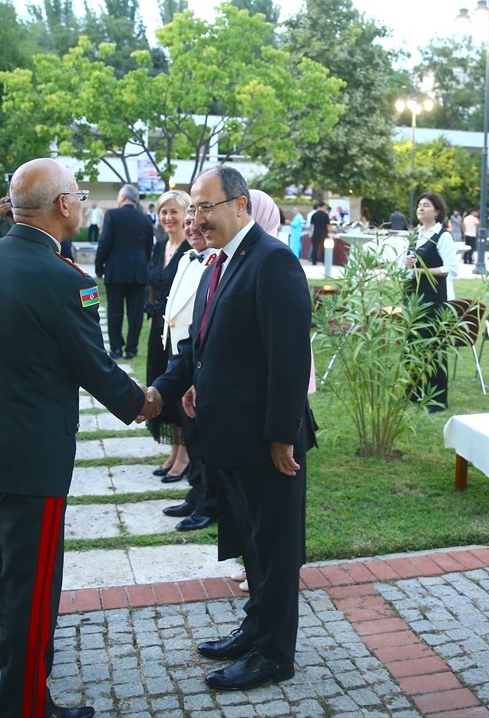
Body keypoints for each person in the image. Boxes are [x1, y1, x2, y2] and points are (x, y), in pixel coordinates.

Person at [0, 158, 153, 718]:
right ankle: (24, 705)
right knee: (34, 582)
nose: (84, 205)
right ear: (63, 205)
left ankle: (8, 656)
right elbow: (94, 365)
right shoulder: (65, 280)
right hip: (33, 455)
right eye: (80, 196)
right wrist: (144, 403)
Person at [151, 165, 314, 692]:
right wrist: (194, 382)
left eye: (206, 207)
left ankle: (273, 653)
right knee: (252, 542)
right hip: (232, 432)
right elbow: (208, 340)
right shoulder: (220, 261)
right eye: (194, 208)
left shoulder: (273, 261)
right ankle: (255, 627)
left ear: (240, 205)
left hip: (268, 439)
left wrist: (282, 435)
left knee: (275, 547)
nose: (197, 218)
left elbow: (288, 358)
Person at [159, 213, 216, 529]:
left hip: (200, 358)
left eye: (198, 220)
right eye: (189, 220)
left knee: (203, 435)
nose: (191, 226)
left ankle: (208, 502)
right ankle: (196, 493)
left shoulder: (215, 264)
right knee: (189, 431)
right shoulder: (186, 260)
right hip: (181, 354)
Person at [145, 189, 192, 485]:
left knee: (178, 385)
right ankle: (174, 449)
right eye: (163, 212)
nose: (168, 217)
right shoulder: (159, 246)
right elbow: (152, 283)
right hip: (158, 328)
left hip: (180, 329)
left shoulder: (191, 247)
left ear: (186, 213)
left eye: (174, 211)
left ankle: (185, 453)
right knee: (161, 381)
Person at [406, 192, 458, 413]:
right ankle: (413, 394)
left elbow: (450, 269)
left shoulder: (443, 236)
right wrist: (407, 265)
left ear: (437, 211)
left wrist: (421, 270)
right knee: (413, 344)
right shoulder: (415, 235)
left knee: (434, 346)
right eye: (419, 205)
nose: (421, 208)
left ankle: (435, 398)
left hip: (433, 297)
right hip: (412, 297)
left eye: (426, 205)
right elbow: (408, 269)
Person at [96, 184, 153, 359]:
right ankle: (131, 349)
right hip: (138, 271)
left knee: (115, 312)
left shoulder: (112, 215)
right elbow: (149, 246)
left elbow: (105, 242)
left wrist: (99, 267)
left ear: (122, 197)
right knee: (135, 314)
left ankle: (116, 349)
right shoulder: (145, 219)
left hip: (116, 271)